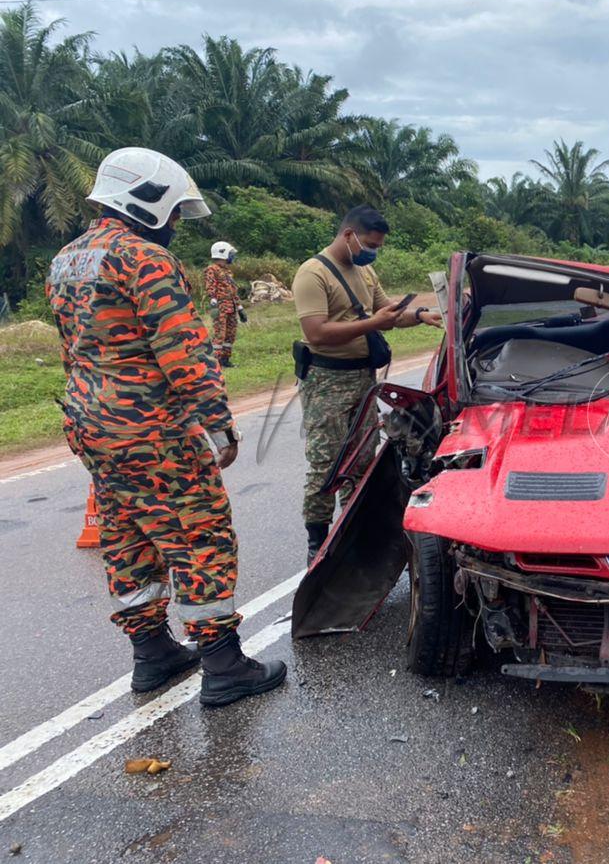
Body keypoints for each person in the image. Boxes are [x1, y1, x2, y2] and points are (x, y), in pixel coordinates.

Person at [46, 147, 286, 708]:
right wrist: (218, 425)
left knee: (125, 532)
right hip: (151, 428)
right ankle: (224, 663)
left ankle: (152, 653)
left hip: (91, 425)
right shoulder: (143, 259)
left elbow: (75, 348)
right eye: (175, 211)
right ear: (147, 201)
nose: (177, 223)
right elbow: (182, 348)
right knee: (199, 533)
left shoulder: (67, 258)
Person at [292, 205, 441, 564]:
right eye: (370, 244)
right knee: (326, 465)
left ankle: (353, 536)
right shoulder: (313, 274)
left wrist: (420, 316)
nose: (373, 251)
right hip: (327, 381)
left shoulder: (365, 271)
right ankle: (318, 542)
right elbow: (317, 332)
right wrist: (373, 323)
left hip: (363, 380)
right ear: (349, 235)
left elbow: (387, 313)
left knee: (361, 464)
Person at [204, 241, 244, 367]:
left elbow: (233, 291)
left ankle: (225, 360)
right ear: (222, 253)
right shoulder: (212, 269)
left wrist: (240, 308)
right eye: (230, 254)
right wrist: (213, 301)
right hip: (220, 306)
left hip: (231, 307)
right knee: (219, 334)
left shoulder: (228, 272)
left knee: (230, 334)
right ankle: (215, 362)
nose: (231, 257)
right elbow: (210, 286)